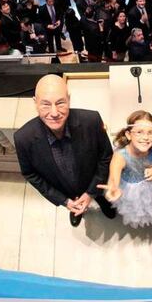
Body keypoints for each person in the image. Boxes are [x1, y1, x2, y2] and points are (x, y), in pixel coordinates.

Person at [14, 75, 117, 227]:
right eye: (46, 105)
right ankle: (75, 209)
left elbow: (105, 156)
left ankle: (101, 201)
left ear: (69, 99)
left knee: (102, 197)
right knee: (74, 203)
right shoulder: (23, 138)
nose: (54, 113)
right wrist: (64, 200)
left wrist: (90, 193)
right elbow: (30, 174)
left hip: (94, 182)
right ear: (35, 103)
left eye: (60, 103)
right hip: (66, 191)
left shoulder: (92, 120)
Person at [98, 111, 152, 228]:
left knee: (151, 203)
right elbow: (113, 178)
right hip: (131, 189)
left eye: (150, 132)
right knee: (136, 208)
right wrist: (113, 188)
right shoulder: (121, 156)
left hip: (151, 185)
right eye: (139, 132)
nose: (145, 138)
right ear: (128, 135)